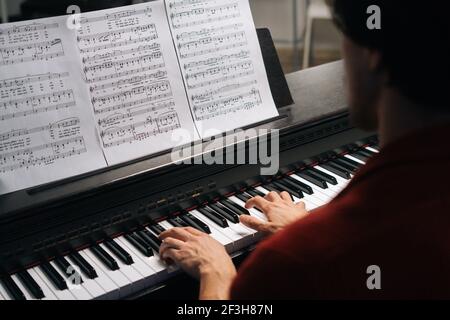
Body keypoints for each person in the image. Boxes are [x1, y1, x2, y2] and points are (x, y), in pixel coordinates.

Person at [159, 0, 450, 299]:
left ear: (373, 55)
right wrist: (310, 231)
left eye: (343, 35)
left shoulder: (287, 263)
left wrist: (218, 274)